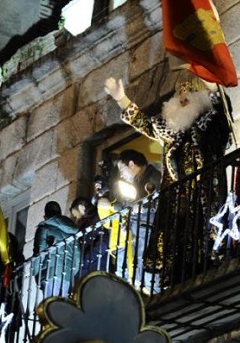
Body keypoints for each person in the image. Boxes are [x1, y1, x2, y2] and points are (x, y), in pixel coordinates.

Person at [104, 74, 231, 286]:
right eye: (178, 93)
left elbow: (223, 111)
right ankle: (175, 276)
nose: (182, 97)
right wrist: (121, 99)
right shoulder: (169, 132)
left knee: (202, 236)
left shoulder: (210, 123)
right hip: (175, 201)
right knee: (177, 242)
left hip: (203, 194)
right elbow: (144, 123)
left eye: (187, 92)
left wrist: (213, 84)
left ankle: (205, 267)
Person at [116, 149, 161, 293]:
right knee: (137, 256)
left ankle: (145, 284)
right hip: (140, 225)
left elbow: (158, 199)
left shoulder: (153, 175)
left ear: (131, 164)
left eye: (122, 170)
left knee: (142, 255)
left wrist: (139, 208)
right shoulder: (137, 180)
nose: (121, 174)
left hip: (147, 224)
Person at [32, 201, 81, 298]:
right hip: (66, 275)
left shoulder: (44, 229)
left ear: (45, 216)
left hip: (49, 274)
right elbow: (77, 256)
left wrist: (35, 272)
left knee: (50, 308)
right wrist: (71, 272)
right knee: (61, 307)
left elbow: (39, 252)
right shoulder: (72, 231)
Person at [70, 197, 110, 277]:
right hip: (90, 264)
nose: (77, 218)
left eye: (76, 215)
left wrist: (86, 260)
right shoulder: (89, 220)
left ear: (81, 207)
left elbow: (103, 242)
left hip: (93, 264)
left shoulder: (94, 218)